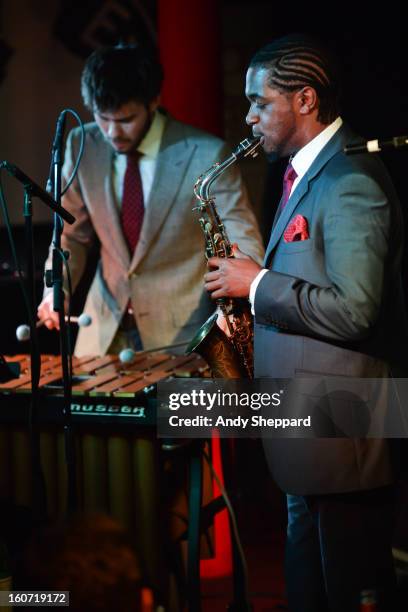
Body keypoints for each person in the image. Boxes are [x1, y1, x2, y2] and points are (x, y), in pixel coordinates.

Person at [204, 33, 408, 612]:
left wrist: (259, 284)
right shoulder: (305, 177)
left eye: (258, 102)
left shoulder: (350, 183)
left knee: (348, 593)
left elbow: (355, 308)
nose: (249, 117)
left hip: (343, 437)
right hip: (308, 435)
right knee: (309, 593)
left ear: (306, 99)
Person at [37, 43, 263, 356]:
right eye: (103, 118)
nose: (113, 132)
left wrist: (236, 311)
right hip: (101, 329)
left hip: (180, 333)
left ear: (154, 101)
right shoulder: (81, 145)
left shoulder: (206, 153)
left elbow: (242, 237)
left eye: (126, 119)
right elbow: (70, 236)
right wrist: (54, 291)